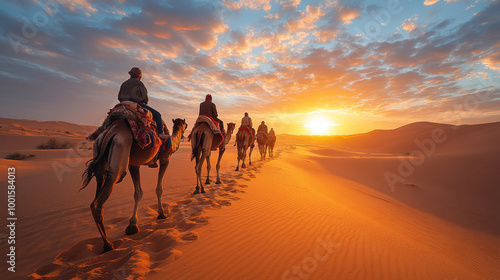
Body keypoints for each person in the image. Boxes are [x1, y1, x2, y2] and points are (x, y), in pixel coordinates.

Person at [118, 67, 169, 140]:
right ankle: (160, 133)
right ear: (139, 76)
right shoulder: (139, 83)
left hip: (122, 105)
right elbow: (145, 98)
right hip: (136, 104)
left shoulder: (124, 84)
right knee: (158, 115)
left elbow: (119, 97)